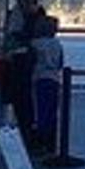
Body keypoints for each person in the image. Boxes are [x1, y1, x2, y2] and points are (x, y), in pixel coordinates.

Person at [0, 0, 42, 133]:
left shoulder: (32, 21)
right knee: (23, 97)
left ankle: (26, 126)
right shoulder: (35, 19)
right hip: (23, 62)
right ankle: (26, 126)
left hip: (23, 62)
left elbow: (21, 37)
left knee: (23, 96)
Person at [28, 13, 65, 151]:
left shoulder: (34, 44)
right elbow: (60, 63)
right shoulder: (57, 44)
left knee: (39, 110)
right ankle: (51, 141)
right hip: (54, 79)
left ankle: (40, 140)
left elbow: (30, 62)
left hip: (39, 77)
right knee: (52, 110)